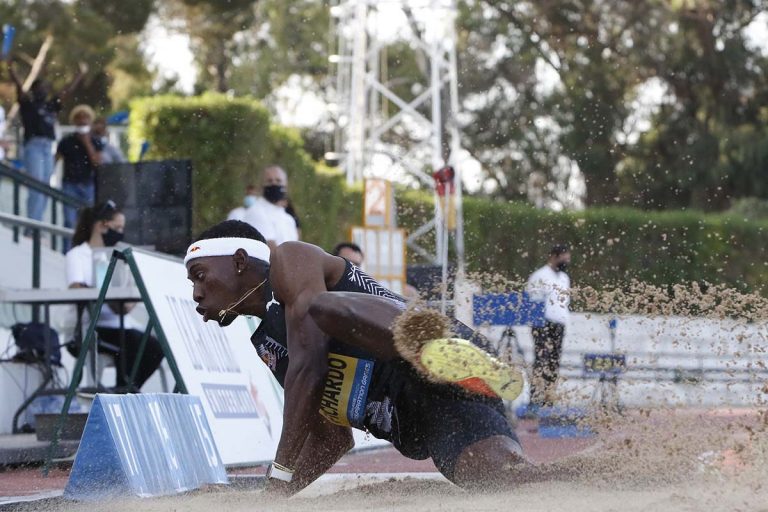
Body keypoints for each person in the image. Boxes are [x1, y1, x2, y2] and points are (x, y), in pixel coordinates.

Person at [185, 220, 531, 496]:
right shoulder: (268, 345)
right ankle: (582, 472)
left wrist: (276, 480)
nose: (196, 294)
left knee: (319, 309)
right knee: (502, 478)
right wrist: (272, 496)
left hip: (433, 350)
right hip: (431, 415)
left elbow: (310, 366)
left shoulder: (290, 260)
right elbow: (330, 439)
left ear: (240, 261)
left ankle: (437, 353)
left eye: (199, 276)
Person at [66, 200, 164, 391]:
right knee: (133, 345)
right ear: (102, 225)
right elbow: (77, 288)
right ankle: (124, 390)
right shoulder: (78, 255)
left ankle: (126, 389)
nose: (120, 233)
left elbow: (122, 304)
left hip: (120, 323)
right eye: (116, 227)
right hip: (92, 326)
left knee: (154, 347)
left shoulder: (118, 255)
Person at [8, 59, 87, 221]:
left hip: (48, 146)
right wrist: (11, 70)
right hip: (34, 146)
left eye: (45, 88)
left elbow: (66, 91)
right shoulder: (28, 104)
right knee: (36, 186)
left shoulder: (50, 105)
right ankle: (32, 226)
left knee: (45, 187)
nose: (42, 90)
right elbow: (19, 87)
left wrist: (79, 75)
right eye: (39, 88)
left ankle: (37, 223)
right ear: (34, 90)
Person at [525, 244, 572, 408]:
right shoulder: (540, 276)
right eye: (563, 258)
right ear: (553, 257)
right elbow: (533, 301)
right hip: (543, 323)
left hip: (559, 324)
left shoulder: (564, 278)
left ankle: (549, 397)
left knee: (554, 361)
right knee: (541, 359)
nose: (566, 262)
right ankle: (536, 397)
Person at [57, 105, 103, 230]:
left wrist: (87, 143)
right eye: (79, 117)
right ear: (74, 121)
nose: (82, 120)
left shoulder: (95, 141)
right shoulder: (66, 141)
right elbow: (56, 159)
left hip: (88, 184)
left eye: (86, 117)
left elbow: (98, 163)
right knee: (69, 221)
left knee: (87, 222)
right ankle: (67, 248)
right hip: (69, 184)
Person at [242, 165, 299, 246]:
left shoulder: (289, 219)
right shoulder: (256, 212)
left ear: (285, 185)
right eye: (269, 181)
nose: (274, 184)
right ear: (262, 186)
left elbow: (295, 250)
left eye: (278, 181)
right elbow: (272, 253)